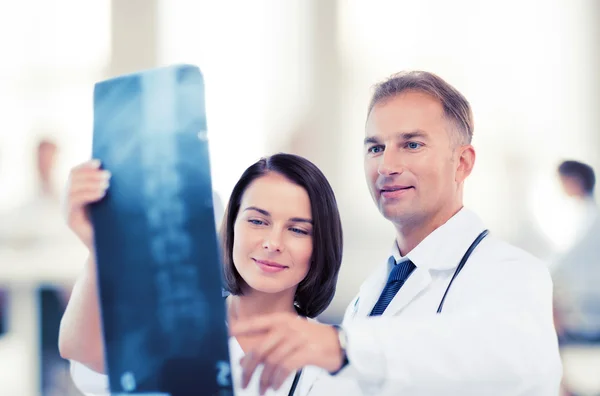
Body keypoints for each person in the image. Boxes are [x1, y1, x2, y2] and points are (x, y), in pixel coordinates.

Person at [231, 71, 563, 396]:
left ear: (462, 163)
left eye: (412, 144)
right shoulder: (372, 296)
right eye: (375, 148)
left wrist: (344, 346)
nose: (387, 166)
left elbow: (516, 361)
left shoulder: (511, 271)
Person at [58, 153, 344, 396]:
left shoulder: (331, 355)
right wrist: (100, 248)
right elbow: (84, 353)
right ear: (231, 226)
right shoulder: (176, 322)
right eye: (257, 221)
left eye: (297, 230)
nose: (273, 243)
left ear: (320, 245)